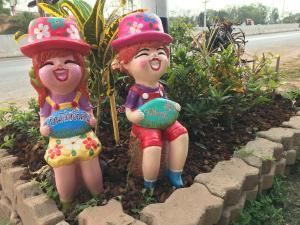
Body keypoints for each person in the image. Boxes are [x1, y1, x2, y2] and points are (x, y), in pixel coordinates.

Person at [20, 17, 103, 210]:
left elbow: (89, 110)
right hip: (59, 140)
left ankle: (97, 194)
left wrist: (91, 119)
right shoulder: (47, 100)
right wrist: (44, 127)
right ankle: (67, 202)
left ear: (81, 69)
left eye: (68, 61)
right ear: (36, 72)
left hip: (83, 135)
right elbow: (43, 117)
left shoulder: (79, 95)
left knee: (89, 158)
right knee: (62, 165)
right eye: (49, 63)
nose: (60, 66)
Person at [111, 12, 189, 190]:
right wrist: (134, 115)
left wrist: (173, 106)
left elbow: (165, 103)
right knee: (153, 144)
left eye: (160, 51)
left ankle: (175, 172)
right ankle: (150, 182)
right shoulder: (136, 90)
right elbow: (129, 110)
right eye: (144, 53)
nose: (155, 56)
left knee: (181, 133)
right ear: (125, 63)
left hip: (164, 118)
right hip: (144, 125)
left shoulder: (159, 87)